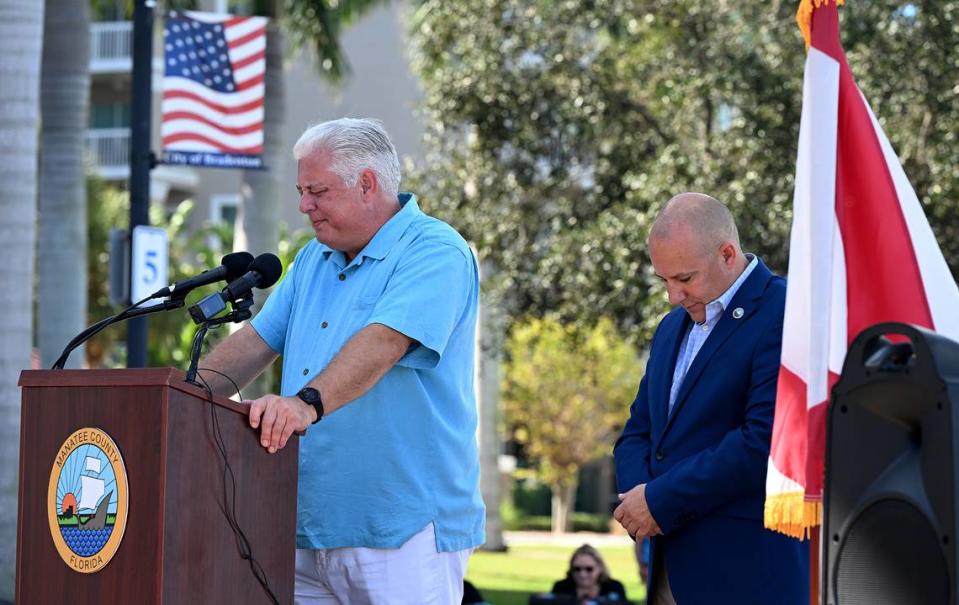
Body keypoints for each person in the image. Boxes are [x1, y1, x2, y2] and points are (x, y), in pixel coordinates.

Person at [200, 117, 485, 603]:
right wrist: (171, 401)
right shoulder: (313, 258)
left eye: (317, 190)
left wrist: (304, 405)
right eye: (300, 190)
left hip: (404, 531)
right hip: (306, 529)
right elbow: (253, 343)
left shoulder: (436, 251)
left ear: (367, 184)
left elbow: (384, 343)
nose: (303, 205)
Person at [612, 193, 809, 605]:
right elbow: (640, 431)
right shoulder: (670, 328)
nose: (673, 296)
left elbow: (764, 442)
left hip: (745, 576)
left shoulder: (787, 311)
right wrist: (639, 501)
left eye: (684, 279)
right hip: (670, 570)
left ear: (727, 254)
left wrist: (659, 501)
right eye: (664, 281)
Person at [550, 544, 627, 603]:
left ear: (600, 568)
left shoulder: (614, 588)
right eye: (577, 569)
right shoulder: (561, 588)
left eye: (589, 569)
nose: (582, 574)